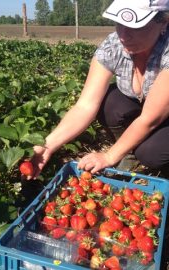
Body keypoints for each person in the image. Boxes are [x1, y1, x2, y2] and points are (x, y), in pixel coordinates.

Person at [32, 0, 169, 178]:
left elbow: (150, 119)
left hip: (157, 114)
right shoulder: (114, 45)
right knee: (110, 101)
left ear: (164, 22)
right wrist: (47, 145)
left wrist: (109, 156)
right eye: (119, 24)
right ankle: (129, 150)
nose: (124, 36)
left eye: (135, 27)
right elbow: (85, 105)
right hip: (149, 111)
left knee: (151, 153)